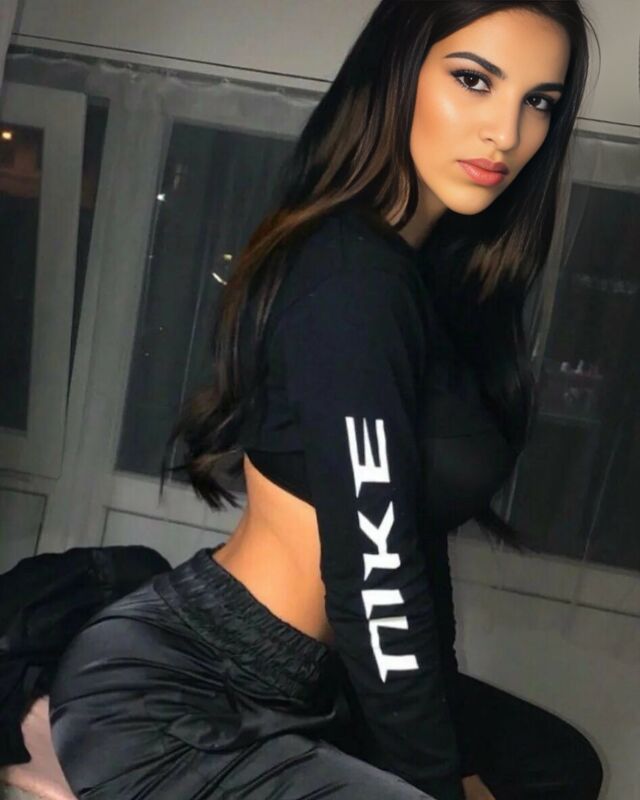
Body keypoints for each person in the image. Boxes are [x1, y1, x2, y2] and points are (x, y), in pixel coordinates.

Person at [48, 2, 605, 799]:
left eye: (539, 101)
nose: (507, 133)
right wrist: (434, 783)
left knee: (556, 767)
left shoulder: (425, 283)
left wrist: (448, 748)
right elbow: (374, 570)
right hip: (186, 687)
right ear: (397, 70)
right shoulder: (351, 277)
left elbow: (412, 548)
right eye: (474, 80)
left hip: (316, 677)